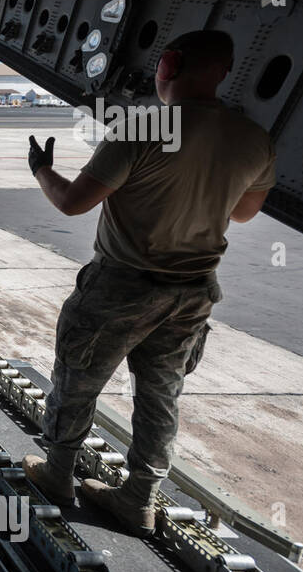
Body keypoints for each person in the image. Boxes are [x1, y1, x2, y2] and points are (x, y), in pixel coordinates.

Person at [22, 29, 276, 535]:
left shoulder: (143, 127)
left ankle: (58, 475)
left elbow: (73, 202)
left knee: (78, 380)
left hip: (122, 287)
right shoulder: (254, 139)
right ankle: (139, 499)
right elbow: (245, 212)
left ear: (168, 66)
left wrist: (43, 171)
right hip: (192, 293)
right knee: (161, 394)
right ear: (224, 72)